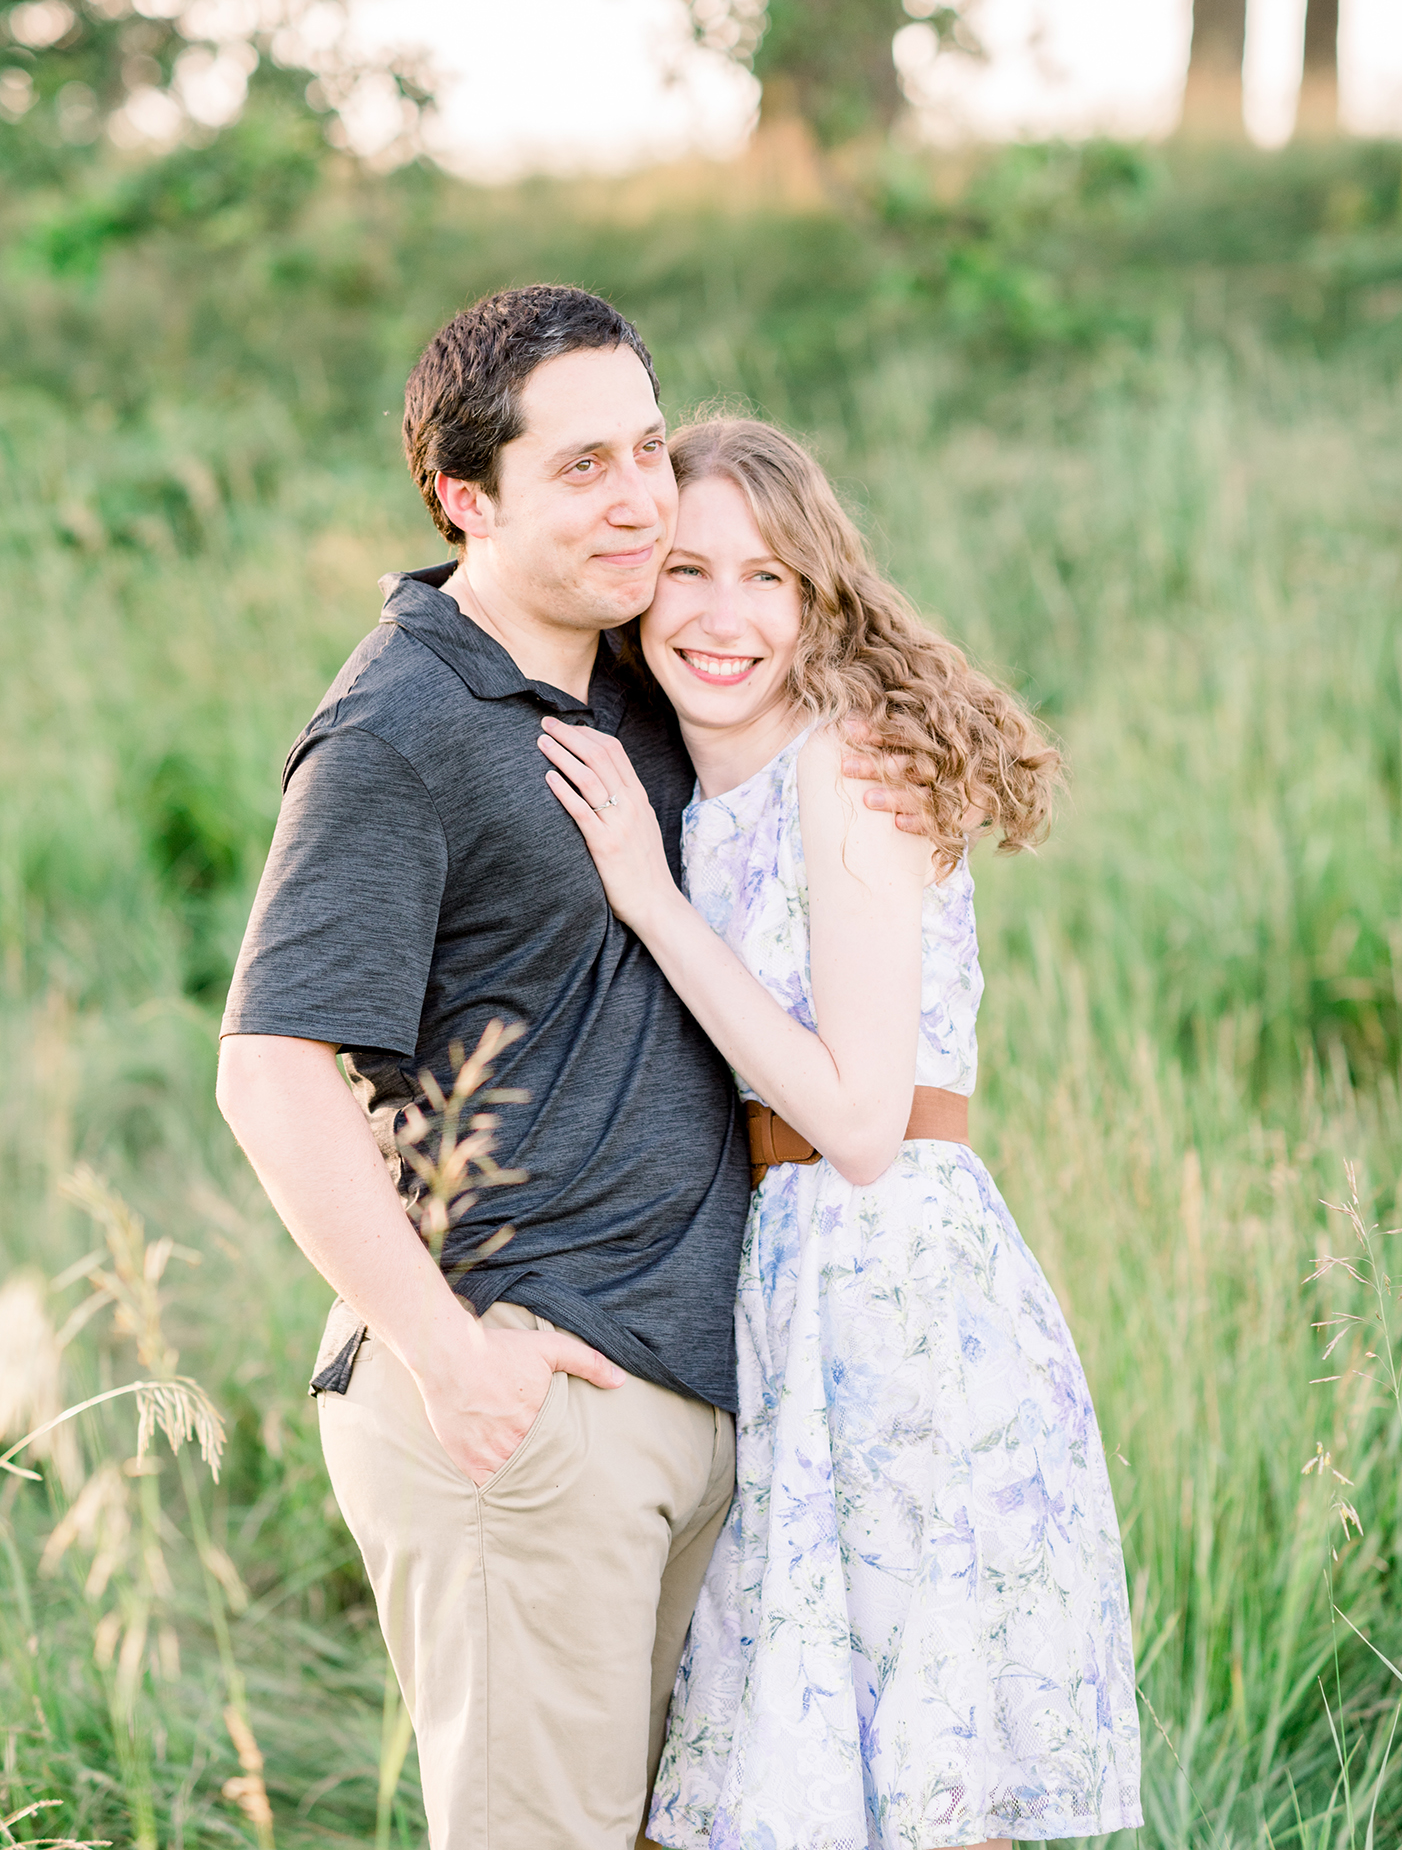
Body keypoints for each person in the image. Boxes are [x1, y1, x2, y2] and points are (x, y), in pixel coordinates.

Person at [537, 415, 1144, 1850]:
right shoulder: (694, 783)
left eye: (770, 577)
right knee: (784, 1772)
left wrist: (646, 897)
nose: (723, 615)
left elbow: (862, 1121)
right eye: (686, 571)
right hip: (779, 1283)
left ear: (821, 599)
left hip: (889, 1297)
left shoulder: (848, 759)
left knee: (918, 1779)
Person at [216, 287, 760, 1850]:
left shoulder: (648, 671)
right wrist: (457, 1362)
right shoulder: (398, 730)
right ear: (467, 497)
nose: (640, 497)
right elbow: (270, 1071)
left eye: (649, 449)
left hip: (694, 1388)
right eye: (581, 466)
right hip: (531, 1406)